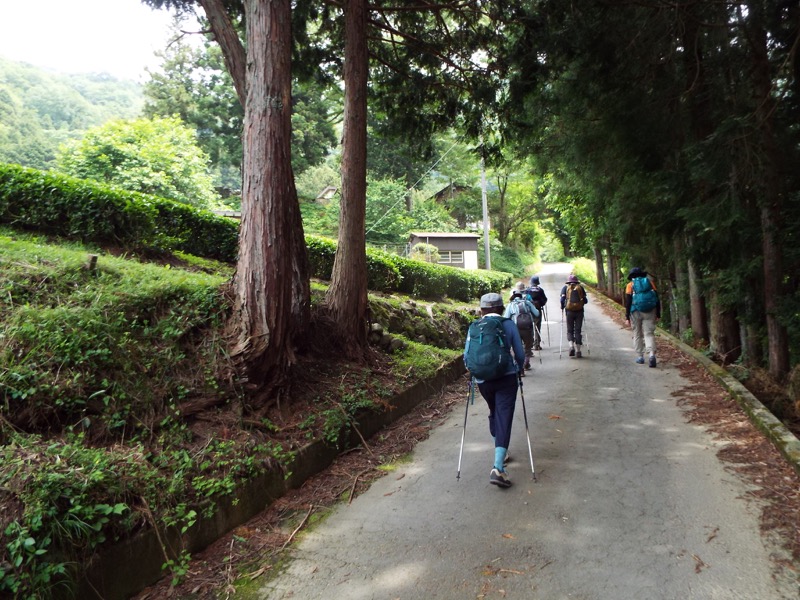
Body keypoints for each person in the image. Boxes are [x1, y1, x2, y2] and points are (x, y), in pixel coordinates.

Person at [464, 292, 526, 488]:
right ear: (501, 308)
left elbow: (466, 357)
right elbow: (520, 353)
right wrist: (519, 368)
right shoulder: (508, 325)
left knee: (494, 412)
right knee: (504, 417)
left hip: (484, 380)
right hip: (506, 377)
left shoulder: (475, 327)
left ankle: (502, 450)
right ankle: (498, 467)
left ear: (482, 309)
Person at [624, 267, 661, 367]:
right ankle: (652, 355)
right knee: (649, 333)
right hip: (650, 310)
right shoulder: (650, 282)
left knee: (637, 334)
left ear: (632, 276)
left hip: (635, 311)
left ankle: (640, 357)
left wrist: (627, 317)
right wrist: (658, 313)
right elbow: (657, 299)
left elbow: (628, 302)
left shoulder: (630, 285)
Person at [504, 281, 539, 370]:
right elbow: (537, 313)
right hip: (528, 328)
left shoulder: (510, 305)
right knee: (528, 346)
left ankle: (521, 369)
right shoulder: (527, 303)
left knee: (517, 348)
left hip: (516, 329)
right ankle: (526, 361)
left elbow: (506, 317)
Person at [560, 274, 588, 358]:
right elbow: (586, 301)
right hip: (579, 312)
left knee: (570, 330)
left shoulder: (565, 288)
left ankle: (571, 346)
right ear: (577, 281)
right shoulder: (581, 288)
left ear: (568, 281)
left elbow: (562, 299)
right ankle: (578, 351)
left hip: (569, 312)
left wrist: (562, 306)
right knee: (578, 330)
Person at [526, 276, 548, 350]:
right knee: (537, 327)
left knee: (529, 327)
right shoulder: (540, 290)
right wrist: (541, 304)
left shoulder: (528, 290)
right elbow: (544, 300)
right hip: (537, 310)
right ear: (537, 282)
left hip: (528, 311)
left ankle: (529, 344)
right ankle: (537, 344)